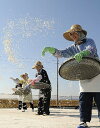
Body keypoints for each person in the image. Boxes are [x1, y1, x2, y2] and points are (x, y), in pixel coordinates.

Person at [42, 24, 100, 128]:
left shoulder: (89, 41)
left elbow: (92, 49)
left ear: (79, 33)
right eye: (70, 34)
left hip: (96, 72)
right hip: (83, 74)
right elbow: (62, 53)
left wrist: (83, 53)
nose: (72, 35)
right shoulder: (73, 47)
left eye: (73, 33)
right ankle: (83, 122)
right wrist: (53, 50)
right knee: (84, 98)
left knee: (99, 97)